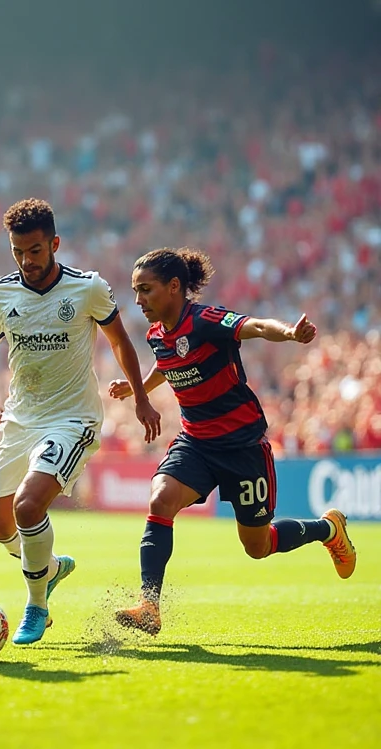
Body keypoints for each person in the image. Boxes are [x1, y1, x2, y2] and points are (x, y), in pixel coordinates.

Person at [109, 247, 357, 636]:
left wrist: (290, 333)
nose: (138, 300)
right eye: (135, 290)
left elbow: (255, 326)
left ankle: (328, 530)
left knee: (257, 546)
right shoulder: (157, 333)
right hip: (195, 442)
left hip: (242, 446)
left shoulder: (206, 320)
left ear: (175, 287)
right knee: (160, 498)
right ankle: (149, 605)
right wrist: (137, 387)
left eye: (146, 290)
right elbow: (168, 360)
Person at [0, 198, 160, 646]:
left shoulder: (87, 288)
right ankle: (48, 569)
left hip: (73, 418)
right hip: (21, 416)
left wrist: (141, 398)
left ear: (54, 244)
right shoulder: (1, 293)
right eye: (18, 252)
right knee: (1, 528)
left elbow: (121, 341)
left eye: (35, 250)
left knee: (28, 508)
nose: (27, 261)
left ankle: (37, 607)